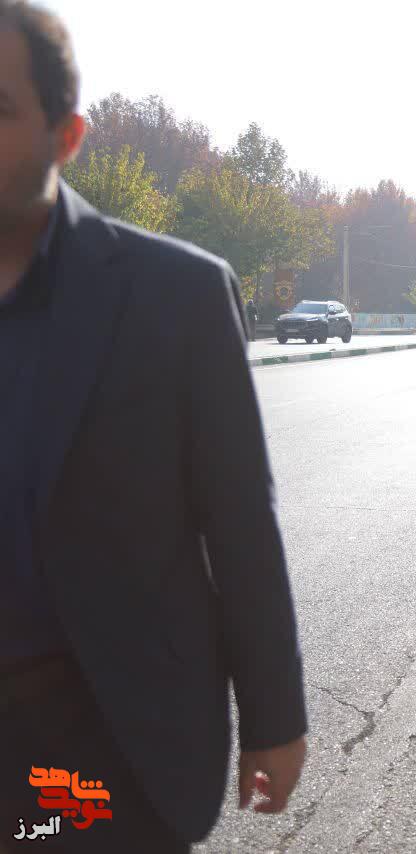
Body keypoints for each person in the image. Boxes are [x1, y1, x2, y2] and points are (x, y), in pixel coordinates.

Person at [0, 4, 307, 850]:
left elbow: (239, 522)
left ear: (66, 136)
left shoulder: (174, 296)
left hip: (95, 743)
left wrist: (274, 717)